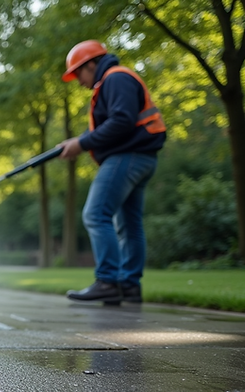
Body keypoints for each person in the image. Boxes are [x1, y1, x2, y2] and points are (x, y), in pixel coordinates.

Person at [58, 40, 166, 305]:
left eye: (78, 74)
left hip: (128, 156)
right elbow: (112, 122)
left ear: (91, 64)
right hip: (142, 158)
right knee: (129, 224)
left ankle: (107, 281)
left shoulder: (115, 78)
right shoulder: (113, 81)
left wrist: (82, 144)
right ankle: (129, 286)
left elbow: (121, 121)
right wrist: (77, 141)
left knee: (96, 214)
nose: (79, 82)